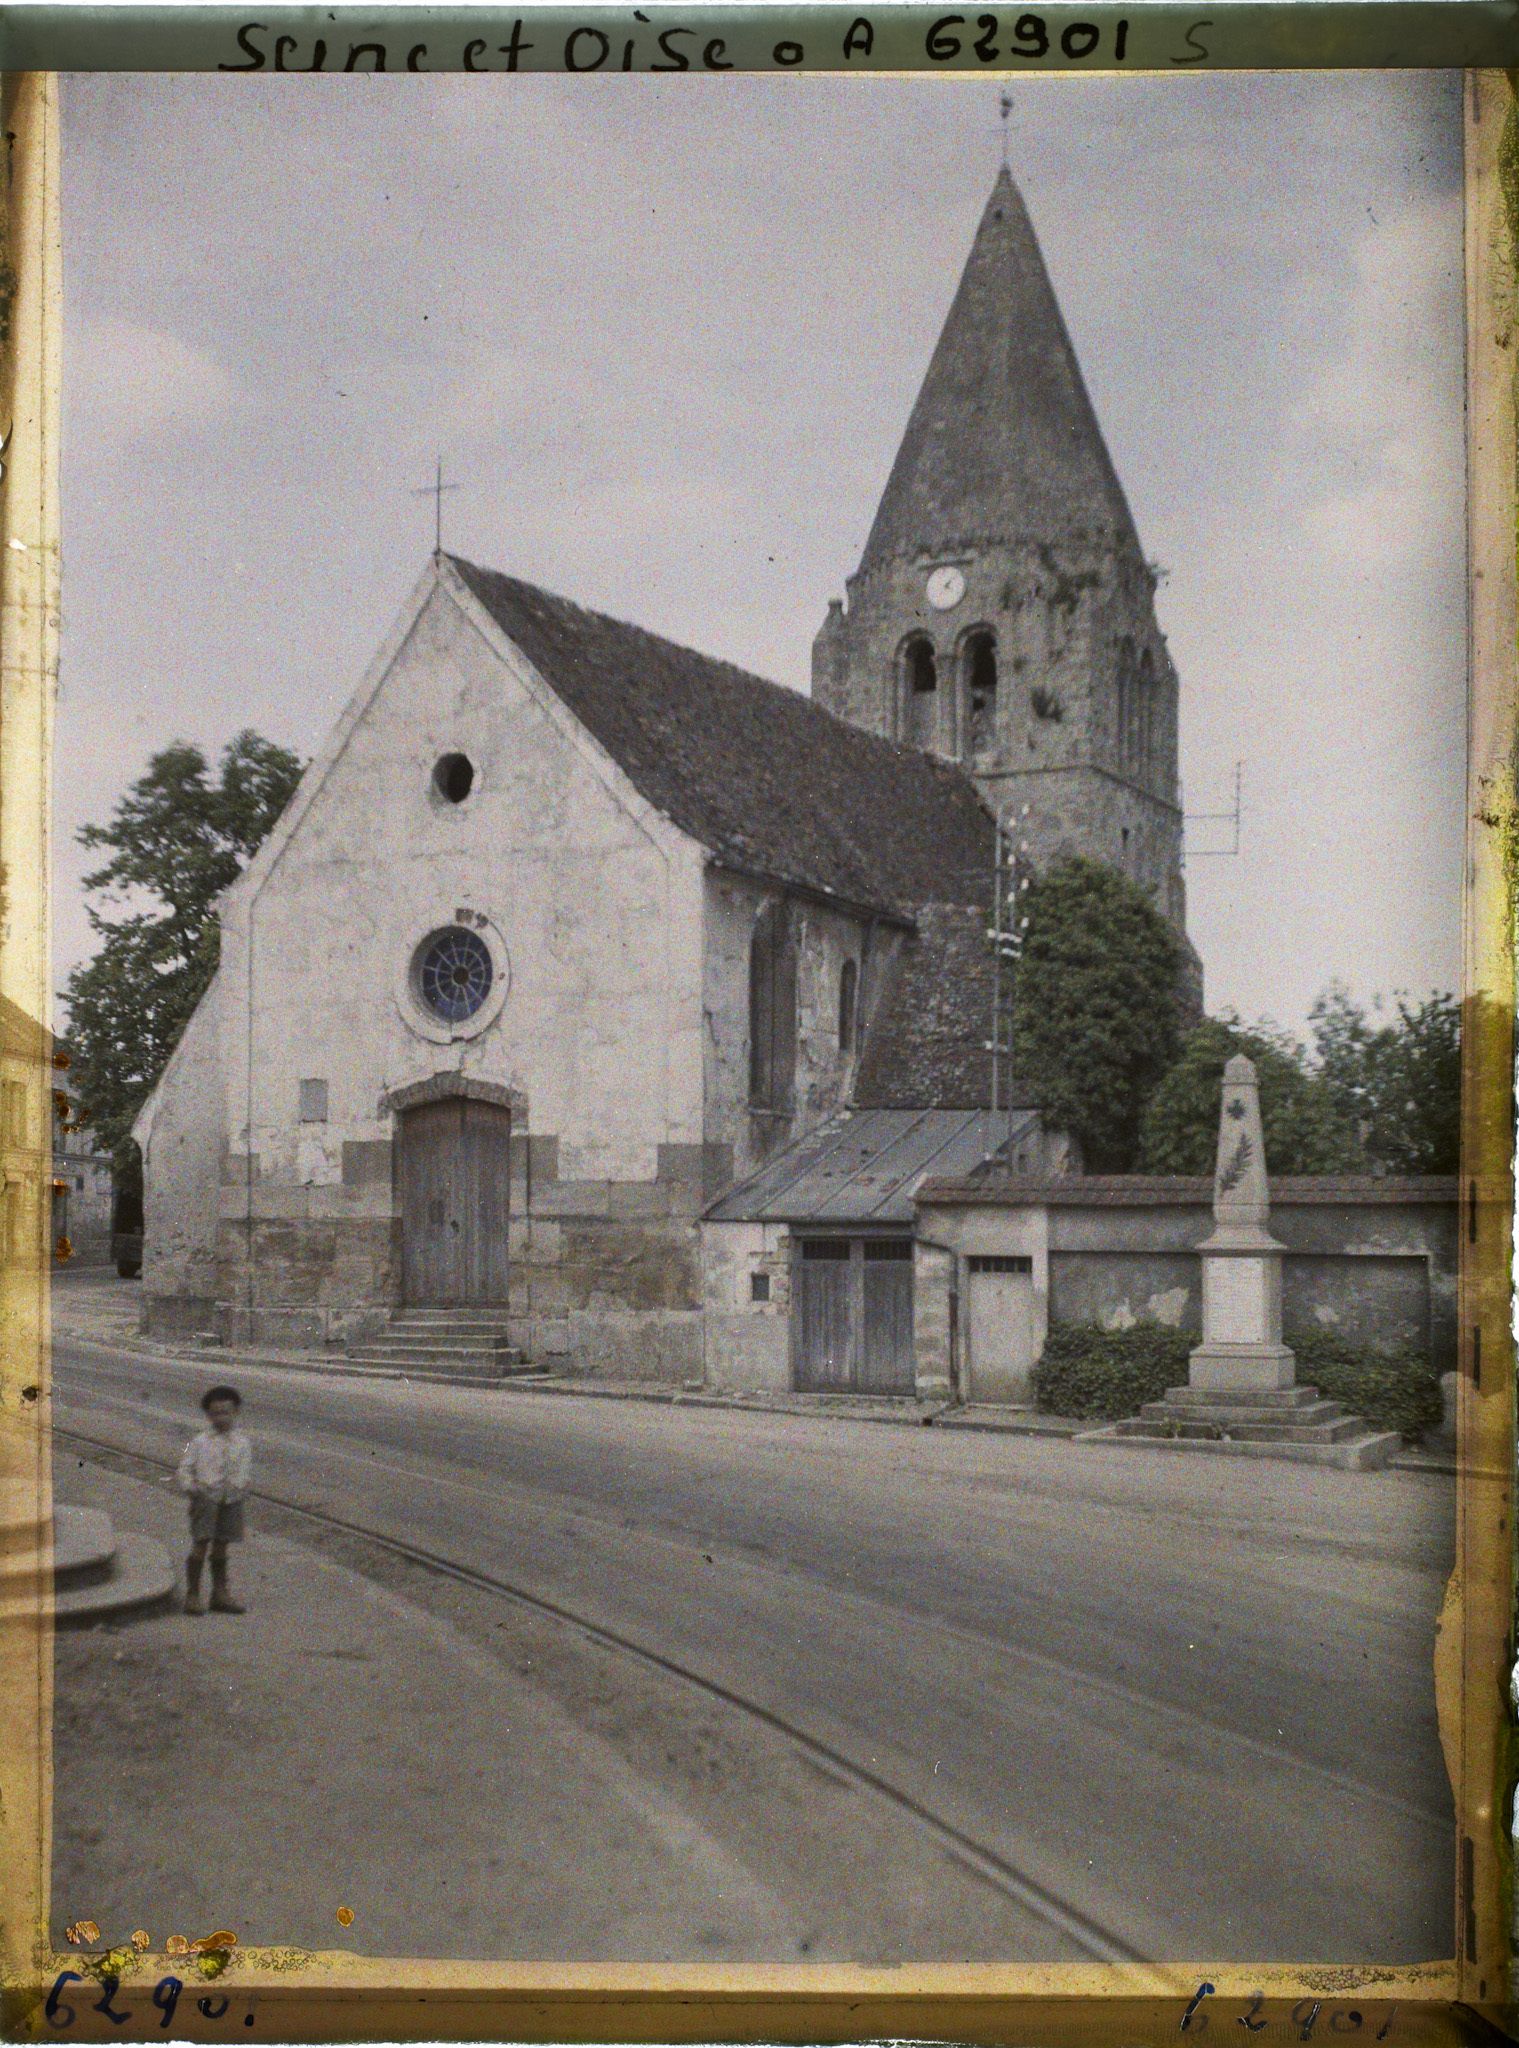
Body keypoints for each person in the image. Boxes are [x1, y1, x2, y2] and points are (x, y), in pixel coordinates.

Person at [177, 1385, 252, 1615]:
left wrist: (241, 1487)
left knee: (221, 1545)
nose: (221, 1418)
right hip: (206, 1498)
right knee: (201, 1543)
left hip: (231, 1499)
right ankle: (193, 1594)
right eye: (216, 1413)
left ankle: (219, 1594)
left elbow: (244, 1468)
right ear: (208, 1415)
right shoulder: (200, 1441)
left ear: (236, 1412)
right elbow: (185, 1468)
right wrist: (192, 1488)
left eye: (226, 1412)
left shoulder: (242, 1442)